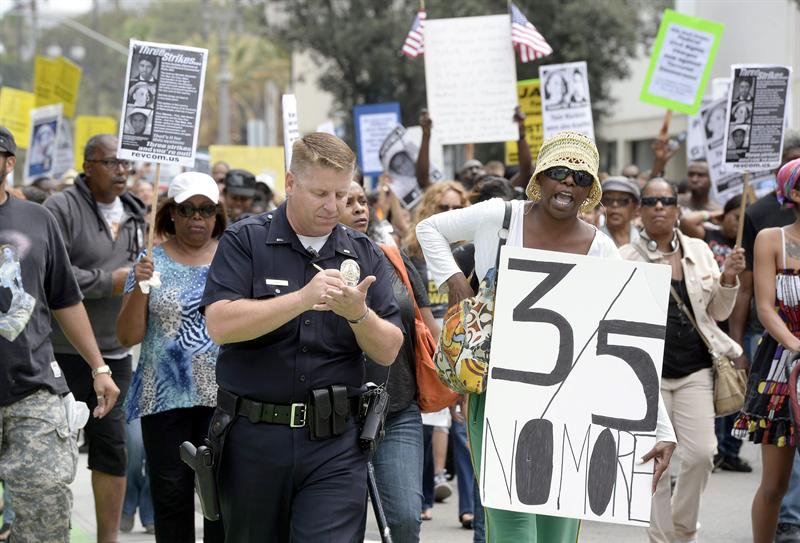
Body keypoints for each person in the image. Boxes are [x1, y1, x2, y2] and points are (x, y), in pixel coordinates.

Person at [416, 131, 677, 542]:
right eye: (559, 172)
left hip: (575, 403)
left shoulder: (601, 249)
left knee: (558, 528)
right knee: (512, 526)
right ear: (540, 177)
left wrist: (661, 429)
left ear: (589, 191)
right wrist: (455, 280)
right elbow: (429, 228)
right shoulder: (500, 218)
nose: (569, 182)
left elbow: (627, 341)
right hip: (499, 395)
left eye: (581, 177)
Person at [200, 133, 403, 541]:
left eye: (341, 194)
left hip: (334, 443)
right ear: (291, 183)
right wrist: (301, 300)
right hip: (255, 439)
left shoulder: (363, 252)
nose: (333, 206)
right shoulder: (246, 240)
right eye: (320, 193)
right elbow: (219, 324)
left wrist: (358, 314)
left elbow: (388, 349)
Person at [0, 126, 120, 541]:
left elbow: (66, 299)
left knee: (46, 513)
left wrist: (99, 368)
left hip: (32, 388)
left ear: (9, 163)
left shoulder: (37, 219)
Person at [621, 178, 744, 543]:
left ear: (677, 209)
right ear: (640, 211)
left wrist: (728, 278)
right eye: (651, 201)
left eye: (666, 201)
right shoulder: (624, 257)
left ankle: (683, 529)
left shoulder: (699, 250)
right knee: (654, 461)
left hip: (696, 372)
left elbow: (718, 312)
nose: (659, 207)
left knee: (703, 455)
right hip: (647, 376)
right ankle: (661, 538)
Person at [44, 133, 146, 542]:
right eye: (111, 163)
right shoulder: (60, 208)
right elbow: (52, 272)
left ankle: (108, 539)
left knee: (113, 450)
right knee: (51, 451)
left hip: (115, 351)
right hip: (61, 351)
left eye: (125, 164)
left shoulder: (137, 212)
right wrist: (109, 281)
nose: (121, 171)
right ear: (88, 166)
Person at [117, 172, 226, 541]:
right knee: (170, 494)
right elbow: (127, 336)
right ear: (172, 214)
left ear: (216, 215)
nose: (197, 217)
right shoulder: (150, 261)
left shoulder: (233, 260)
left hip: (222, 399)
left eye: (206, 209)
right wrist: (140, 285)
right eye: (187, 209)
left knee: (220, 497)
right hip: (163, 399)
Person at [340, 179, 437, 542]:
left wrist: (457, 380)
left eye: (362, 201)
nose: (359, 208)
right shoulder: (312, 265)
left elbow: (427, 325)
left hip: (396, 409)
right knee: (339, 526)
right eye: (347, 201)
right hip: (335, 417)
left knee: (406, 521)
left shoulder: (393, 257)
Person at [729, 131, 800, 542]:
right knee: (774, 485)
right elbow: (765, 307)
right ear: (794, 194)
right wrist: (795, 345)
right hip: (780, 368)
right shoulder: (771, 239)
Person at [403, 181, 470, 521]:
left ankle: (469, 508)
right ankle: (423, 495)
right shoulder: (414, 252)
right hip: (429, 342)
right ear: (429, 209)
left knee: (461, 427)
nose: (450, 214)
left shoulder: (474, 249)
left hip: (466, 342)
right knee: (427, 422)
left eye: (457, 208)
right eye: (443, 208)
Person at [681, 194, 753, 473]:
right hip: (703, 326)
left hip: (727, 326)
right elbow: (687, 220)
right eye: (735, 217)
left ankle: (728, 451)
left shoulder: (744, 247)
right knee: (707, 396)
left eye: (743, 220)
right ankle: (713, 448)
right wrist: (716, 214)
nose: (737, 224)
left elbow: (741, 293)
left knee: (731, 390)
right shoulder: (708, 236)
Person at [600, 175, 640, 247]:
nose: (614, 205)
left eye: (623, 200)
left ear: (635, 207)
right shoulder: (593, 241)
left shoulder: (645, 240)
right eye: (608, 200)